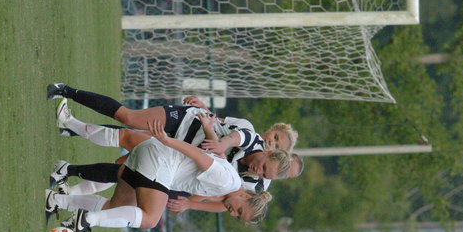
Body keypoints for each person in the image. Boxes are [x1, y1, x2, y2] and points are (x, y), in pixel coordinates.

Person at [47, 120, 272, 232]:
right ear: (245, 195)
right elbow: (198, 155)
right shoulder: (227, 183)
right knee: (150, 219)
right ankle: (86, 219)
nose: (232, 213)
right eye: (239, 211)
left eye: (237, 217)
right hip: (160, 159)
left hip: (154, 157)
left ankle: (56, 200)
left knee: (115, 209)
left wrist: (207, 130)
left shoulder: (228, 185)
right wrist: (167, 141)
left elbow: (217, 154)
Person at [47, 82, 300, 161]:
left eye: (278, 146)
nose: (272, 143)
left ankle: (71, 128)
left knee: (125, 148)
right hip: (184, 120)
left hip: (177, 147)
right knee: (129, 117)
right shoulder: (249, 130)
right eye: (276, 137)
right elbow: (222, 125)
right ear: (273, 129)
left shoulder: (253, 166)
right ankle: (65, 90)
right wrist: (203, 108)